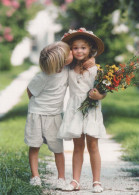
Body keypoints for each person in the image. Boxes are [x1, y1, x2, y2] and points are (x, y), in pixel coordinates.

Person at [57, 28, 106, 193]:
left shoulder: (95, 69)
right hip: (75, 110)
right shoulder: (68, 68)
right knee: (77, 146)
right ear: (70, 49)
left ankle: (96, 181)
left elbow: (103, 92)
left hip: (91, 109)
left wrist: (98, 96)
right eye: (75, 47)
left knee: (93, 145)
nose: (79, 51)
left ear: (90, 49)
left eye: (83, 48)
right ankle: (75, 181)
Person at [24, 41, 73, 188]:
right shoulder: (42, 76)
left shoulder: (67, 71)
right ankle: (35, 176)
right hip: (36, 115)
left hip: (54, 115)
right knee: (34, 145)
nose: (72, 53)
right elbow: (30, 91)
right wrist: (37, 106)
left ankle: (61, 178)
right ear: (62, 61)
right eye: (70, 52)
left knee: (58, 149)